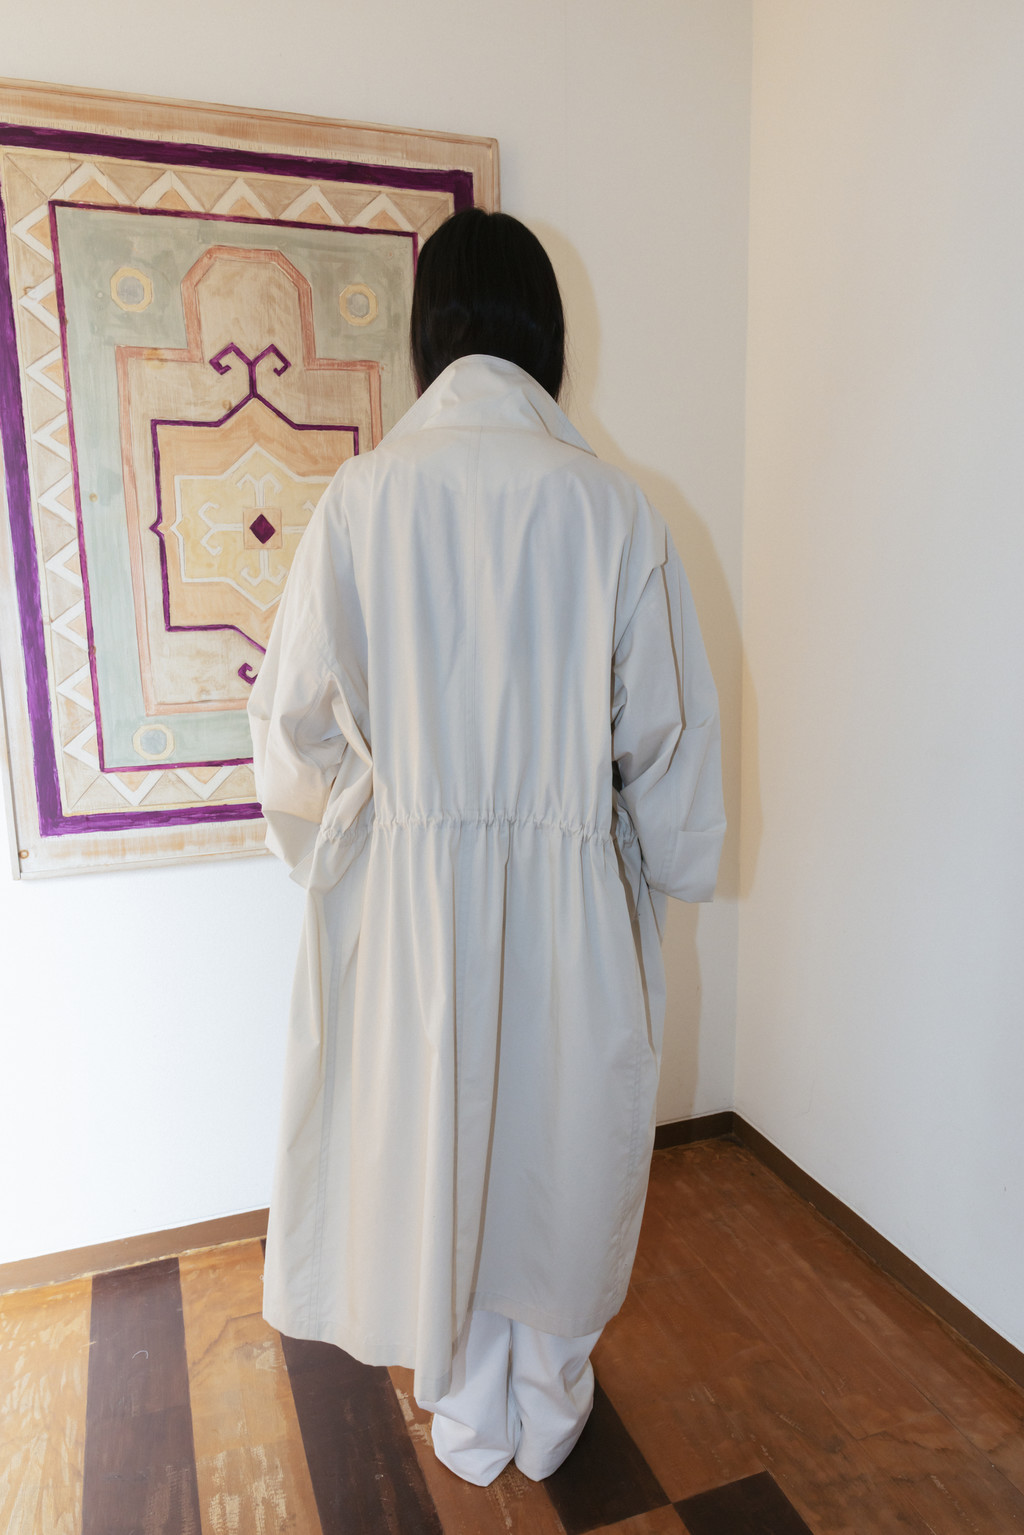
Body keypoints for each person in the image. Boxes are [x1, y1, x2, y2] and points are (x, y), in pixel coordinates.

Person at [248, 208, 726, 1487]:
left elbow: (292, 722)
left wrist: (358, 825)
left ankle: (462, 1414)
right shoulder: (613, 507)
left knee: (438, 1143)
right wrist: (665, 857)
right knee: (563, 1148)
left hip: (410, 901)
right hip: (573, 888)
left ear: (430, 333)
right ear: (544, 333)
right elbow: (667, 732)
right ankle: (550, 1402)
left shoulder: (363, 498)